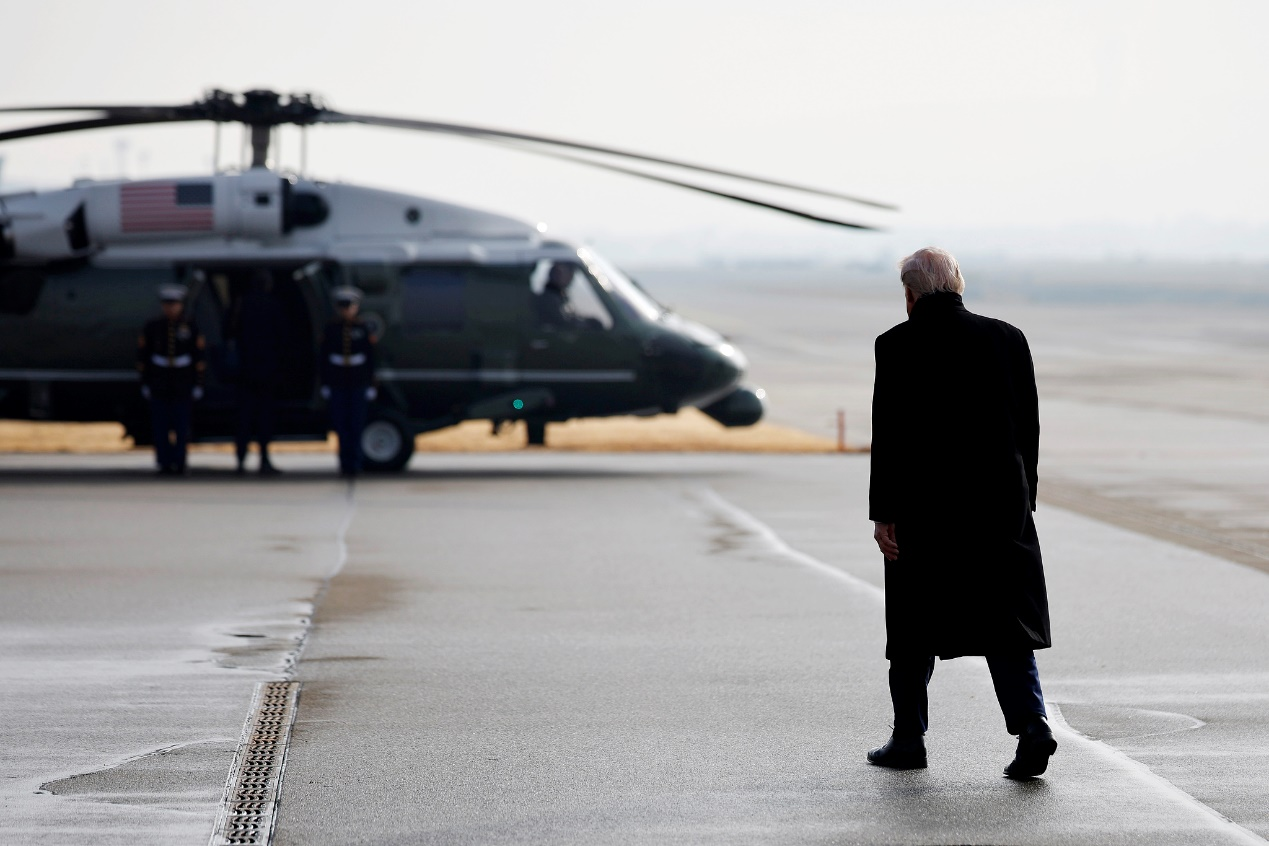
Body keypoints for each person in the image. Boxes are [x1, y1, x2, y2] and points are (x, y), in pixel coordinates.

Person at [867, 247, 1056, 779]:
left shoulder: (895, 345)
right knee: (1006, 628)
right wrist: (1026, 503)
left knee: (912, 628)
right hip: (1000, 510)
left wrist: (884, 514)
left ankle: (909, 741)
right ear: (959, 285)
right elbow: (1029, 430)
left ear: (910, 294)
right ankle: (1032, 727)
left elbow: (890, 440)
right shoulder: (1007, 338)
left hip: (924, 513)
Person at [137, 284, 205, 475]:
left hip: (182, 382)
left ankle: (180, 461)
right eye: (167, 304)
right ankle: (164, 461)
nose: (171, 308)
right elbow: (143, 357)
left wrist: (198, 384)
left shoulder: (190, 326)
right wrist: (145, 383)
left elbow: (198, 358)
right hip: (160, 381)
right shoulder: (153, 326)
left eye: (174, 304)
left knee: (181, 425)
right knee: (161, 426)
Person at [319, 286, 377, 477]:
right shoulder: (331, 328)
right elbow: (324, 357)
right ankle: (344, 462)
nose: (346, 310)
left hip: (358, 381)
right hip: (338, 382)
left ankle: (356, 463)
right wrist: (326, 383)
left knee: (357, 424)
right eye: (342, 306)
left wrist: (370, 384)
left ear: (356, 307)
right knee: (341, 425)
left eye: (349, 306)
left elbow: (371, 359)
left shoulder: (362, 328)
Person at [232, 271, 285, 475]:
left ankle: (240, 460)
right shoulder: (274, 305)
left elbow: (228, 330)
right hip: (267, 370)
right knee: (264, 417)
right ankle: (264, 459)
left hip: (244, 370)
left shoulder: (241, 304)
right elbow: (283, 337)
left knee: (244, 418)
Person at [532, 262, 579, 327]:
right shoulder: (548, 300)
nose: (571, 276)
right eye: (569, 272)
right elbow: (560, 324)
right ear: (555, 274)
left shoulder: (560, 297)